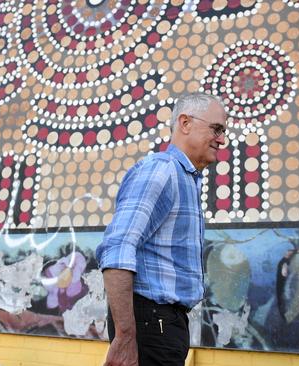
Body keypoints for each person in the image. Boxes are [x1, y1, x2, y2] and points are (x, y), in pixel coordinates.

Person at [96, 92, 227, 366]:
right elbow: (117, 249)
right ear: (185, 123)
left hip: (162, 325)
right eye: (216, 129)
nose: (222, 139)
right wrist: (126, 336)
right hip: (151, 325)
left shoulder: (185, 178)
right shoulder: (161, 171)